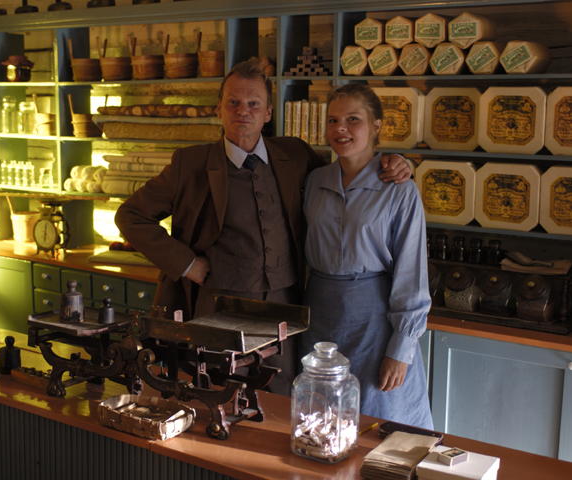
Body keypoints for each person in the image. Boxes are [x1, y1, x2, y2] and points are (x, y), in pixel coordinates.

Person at [115, 58, 410, 395]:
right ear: (219, 109)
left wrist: (395, 162)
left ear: (268, 112)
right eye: (234, 102)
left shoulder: (295, 155)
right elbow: (130, 216)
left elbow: (347, 168)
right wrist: (187, 264)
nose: (244, 111)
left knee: (281, 402)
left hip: (286, 313)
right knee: (217, 396)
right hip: (217, 311)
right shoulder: (190, 163)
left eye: (254, 103)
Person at [301, 83, 433, 428]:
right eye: (333, 120)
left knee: (376, 422)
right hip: (318, 319)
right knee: (320, 422)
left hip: (375, 324)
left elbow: (411, 272)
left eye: (353, 119)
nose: (340, 129)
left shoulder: (399, 188)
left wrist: (400, 349)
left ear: (376, 125)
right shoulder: (314, 180)